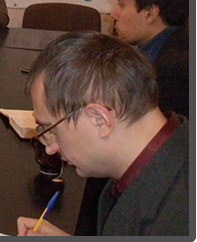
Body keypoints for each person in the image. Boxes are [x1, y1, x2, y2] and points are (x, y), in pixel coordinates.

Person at [16, 32, 188, 236]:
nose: (50, 149)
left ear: (99, 119)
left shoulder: (177, 216)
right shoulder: (168, 156)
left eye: (50, 130)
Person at [74, 0, 189, 236]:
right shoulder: (157, 52)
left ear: (150, 12)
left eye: (121, 4)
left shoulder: (172, 72)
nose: (113, 14)